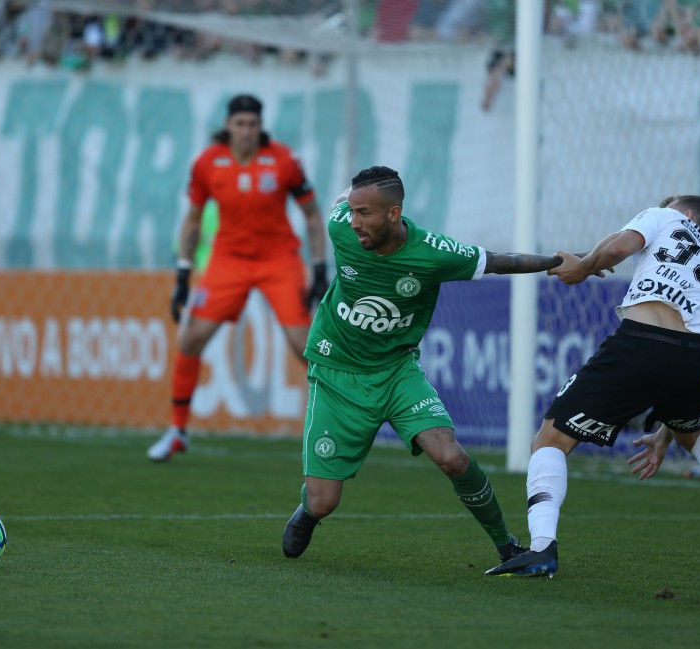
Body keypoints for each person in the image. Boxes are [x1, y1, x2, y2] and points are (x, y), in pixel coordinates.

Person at [486, 194, 700, 578]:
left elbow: (617, 247)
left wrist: (583, 268)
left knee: (549, 440)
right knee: (698, 435)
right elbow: (698, 349)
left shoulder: (664, 217)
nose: (662, 204)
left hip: (642, 342)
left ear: (687, 213)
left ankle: (542, 549)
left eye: (669, 202)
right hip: (696, 356)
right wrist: (667, 430)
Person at [281, 165, 571, 564]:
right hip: (337, 373)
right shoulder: (341, 229)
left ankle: (507, 545)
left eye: (364, 213)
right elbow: (335, 207)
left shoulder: (433, 252)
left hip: (397, 371)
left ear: (394, 214)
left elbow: (499, 261)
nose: (355, 222)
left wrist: (560, 261)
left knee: (451, 457)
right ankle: (308, 511)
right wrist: (348, 202)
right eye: (352, 211)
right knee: (324, 501)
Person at [147, 94, 329, 462]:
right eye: (240, 124)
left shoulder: (284, 161)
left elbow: (311, 215)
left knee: (305, 346)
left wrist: (320, 266)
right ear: (228, 125)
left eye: (253, 124)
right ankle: (177, 431)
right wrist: (183, 273)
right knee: (190, 337)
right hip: (228, 260)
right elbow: (194, 220)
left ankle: (334, 428)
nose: (247, 131)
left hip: (279, 259)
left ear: (261, 126)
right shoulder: (207, 162)